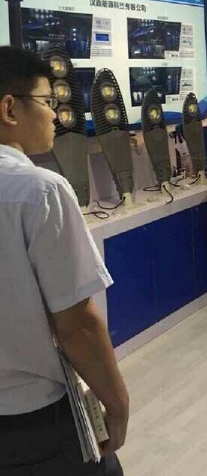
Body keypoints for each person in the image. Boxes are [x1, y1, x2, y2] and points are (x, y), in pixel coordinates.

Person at [0, 46, 128, 475]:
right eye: (46, 101)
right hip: (33, 415)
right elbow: (77, 325)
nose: (55, 115)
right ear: (9, 109)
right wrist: (117, 403)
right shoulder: (39, 190)